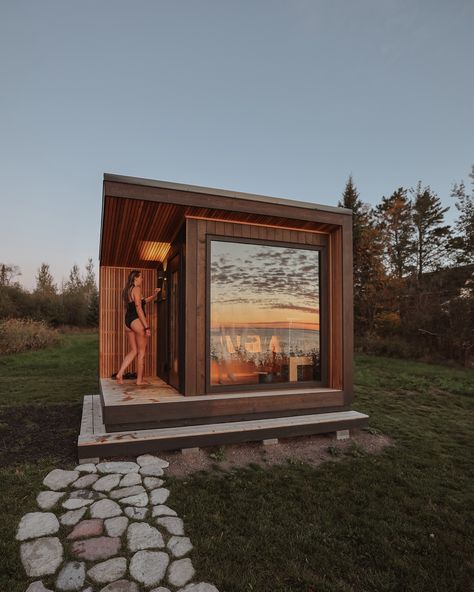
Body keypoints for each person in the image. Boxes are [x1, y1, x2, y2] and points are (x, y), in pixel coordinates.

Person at [115, 270, 160, 386]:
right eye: (141, 278)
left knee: (134, 350)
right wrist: (146, 327)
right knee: (141, 353)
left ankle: (120, 373)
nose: (142, 279)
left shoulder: (127, 290)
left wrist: (154, 296)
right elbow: (139, 308)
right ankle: (139, 380)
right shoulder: (137, 289)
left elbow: (143, 301)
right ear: (135, 278)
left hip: (127, 322)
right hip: (136, 321)